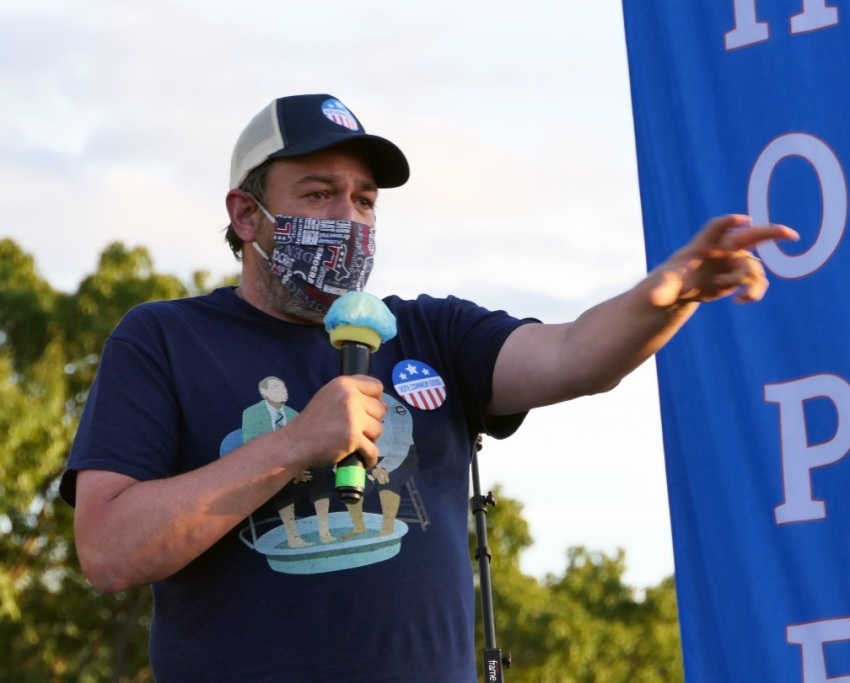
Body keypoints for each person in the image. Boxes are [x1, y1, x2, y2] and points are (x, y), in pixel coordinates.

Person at [60, 93, 798, 682]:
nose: (348, 218)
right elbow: (110, 551)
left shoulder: (431, 332)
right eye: (319, 194)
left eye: (364, 200)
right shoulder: (164, 339)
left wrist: (667, 294)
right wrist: (293, 445)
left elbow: (575, 355)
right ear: (246, 214)